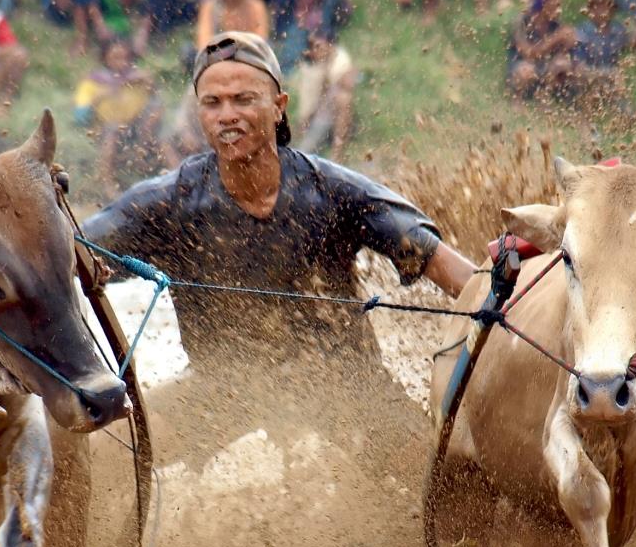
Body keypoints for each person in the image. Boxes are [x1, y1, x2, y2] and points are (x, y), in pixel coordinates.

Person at [81, 31, 476, 462]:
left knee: (446, 472)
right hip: (221, 391)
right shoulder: (167, 202)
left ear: (278, 106)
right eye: (213, 103)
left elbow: (455, 272)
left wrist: (503, 295)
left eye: (243, 100)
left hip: (346, 387)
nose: (227, 116)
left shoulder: (334, 191)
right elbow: (69, 255)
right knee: (106, 457)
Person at [73, 35, 163, 187]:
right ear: (105, 58)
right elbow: (80, 116)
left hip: (137, 128)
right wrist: (99, 97)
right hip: (104, 129)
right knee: (112, 134)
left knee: (164, 138)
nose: (122, 62)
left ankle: (170, 179)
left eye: (125, 58)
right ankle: (107, 184)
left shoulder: (137, 77)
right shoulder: (94, 81)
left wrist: (151, 85)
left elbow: (157, 103)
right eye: (116, 57)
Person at [506, 0, 577, 98]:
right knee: (526, 70)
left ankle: (547, 98)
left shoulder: (556, 25)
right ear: (543, 1)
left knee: (562, 65)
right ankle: (517, 101)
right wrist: (555, 39)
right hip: (522, 68)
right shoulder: (521, 21)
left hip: (545, 68)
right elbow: (528, 54)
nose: (559, 9)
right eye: (556, 3)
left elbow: (562, 56)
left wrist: (568, 45)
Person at [294, 29, 357, 160]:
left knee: (343, 98)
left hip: (332, 114)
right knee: (304, 151)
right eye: (313, 47)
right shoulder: (313, 68)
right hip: (318, 115)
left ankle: (337, 155)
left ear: (329, 45)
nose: (315, 51)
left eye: (319, 46)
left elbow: (348, 85)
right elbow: (310, 102)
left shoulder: (341, 61)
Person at [571, 0, 629, 101]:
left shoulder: (618, 30)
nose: (604, 11)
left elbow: (623, 58)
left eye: (608, 6)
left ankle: (622, 108)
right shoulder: (583, 31)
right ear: (591, 8)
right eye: (599, 6)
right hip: (588, 78)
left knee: (619, 81)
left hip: (612, 78)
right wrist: (603, 74)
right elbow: (579, 67)